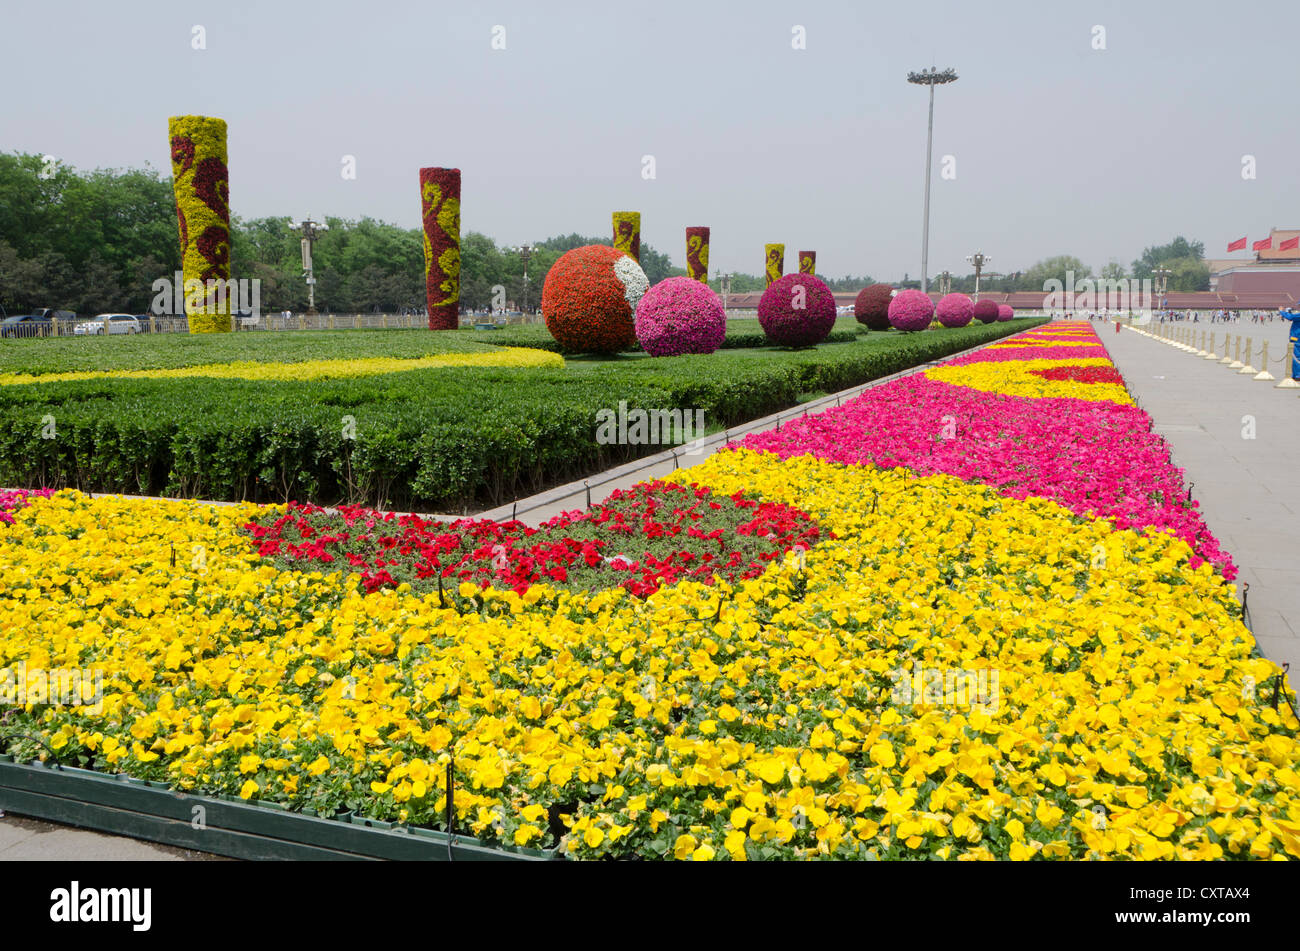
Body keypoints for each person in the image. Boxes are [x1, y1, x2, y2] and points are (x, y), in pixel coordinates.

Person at [1284, 307, 1300, 380]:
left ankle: (1297, 374)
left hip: (1296, 338)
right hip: (1296, 338)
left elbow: (1290, 317)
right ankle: (1295, 374)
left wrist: (1281, 311)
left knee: (1295, 357)